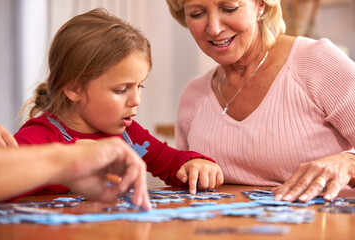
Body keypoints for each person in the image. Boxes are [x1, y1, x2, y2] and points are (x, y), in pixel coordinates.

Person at [13, 8, 223, 201]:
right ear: (74, 89)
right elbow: (5, 181)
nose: (136, 100)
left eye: (140, 86)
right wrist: (64, 160)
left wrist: (193, 163)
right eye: (121, 90)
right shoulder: (40, 136)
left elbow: (170, 162)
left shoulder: (130, 135)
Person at [166, 0, 355, 202]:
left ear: (261, 5)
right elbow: (183, 184)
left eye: (229, 9)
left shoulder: (317, 60)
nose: (214, 29)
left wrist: (349, 163)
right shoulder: (192, 95)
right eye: (196, 14)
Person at [0, 124, 151, 210]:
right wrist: (68, 158)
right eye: (120, 90)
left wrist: (66, 162)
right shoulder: (37, 132)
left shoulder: (128, 128)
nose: (136, 101)